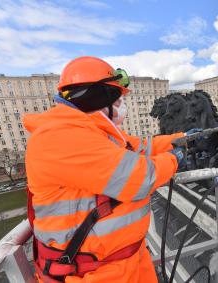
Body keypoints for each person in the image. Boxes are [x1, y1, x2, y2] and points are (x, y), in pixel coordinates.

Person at [24, 56, 195, 282]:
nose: (120, 107)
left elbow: (140, 147)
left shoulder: (91, 132)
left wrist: (183, 139)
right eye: (116, 100)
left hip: (126, 261)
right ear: (97, 98)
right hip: (92, 273)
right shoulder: (58, 137)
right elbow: (138, 178)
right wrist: (175, 159)